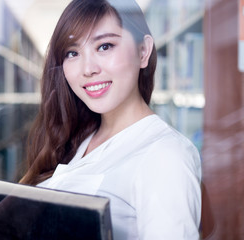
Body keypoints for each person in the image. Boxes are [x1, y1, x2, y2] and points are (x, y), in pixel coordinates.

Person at [19, 0, 202, 239]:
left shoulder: (165, 155)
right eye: (72, 53)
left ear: (143, 51)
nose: (88, 69)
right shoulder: (79, 138)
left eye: (104, 46)